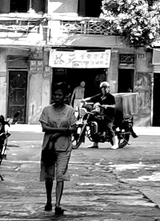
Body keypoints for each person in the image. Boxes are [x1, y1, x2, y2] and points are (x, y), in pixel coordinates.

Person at [39, 82, 77, 216]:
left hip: (64, 147)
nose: (56, 97)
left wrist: (57, 133)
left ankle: (57, 204)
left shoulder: (70, 111)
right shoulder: (47, 110)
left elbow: (73, 128)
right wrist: (62, 130)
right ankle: (49, 200)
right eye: (55, 95)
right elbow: (44, 127)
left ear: (65, 96)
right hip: (49, 147)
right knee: (49, 177)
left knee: (60, 175)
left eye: (59, 95)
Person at [83, 81, 118, 149]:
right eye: (103, 88)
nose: (105, 89)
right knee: (94, 124)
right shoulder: (99, 96)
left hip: (109, 115)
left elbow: (114, 106)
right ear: (101, 89)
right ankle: (95, 143)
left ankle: (115, 143)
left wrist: (106, 106)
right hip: (100, 114)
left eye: (106, 88)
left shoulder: (111, 97)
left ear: (108, 88)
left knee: (108, 126)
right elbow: (91, 98)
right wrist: (84, 100)